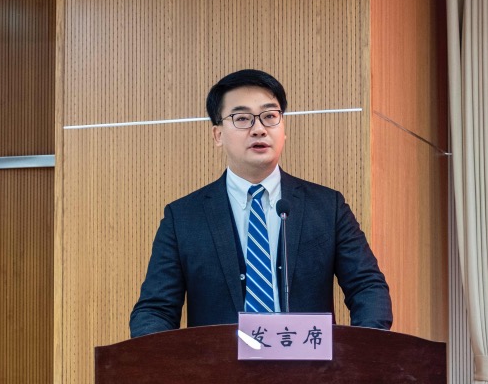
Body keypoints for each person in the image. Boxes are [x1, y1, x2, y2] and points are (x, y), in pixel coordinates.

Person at [129, 69, 392, 337]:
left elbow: (367, 286)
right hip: (218, 363)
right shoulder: (184, 217)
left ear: (283, 129)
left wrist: (361, 352)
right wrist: (161, 358)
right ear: (218, 135)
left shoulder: (327, 207)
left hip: (308, 361)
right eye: (242, 119)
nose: (259, 129)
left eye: (269, 116)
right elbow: (155, 309)